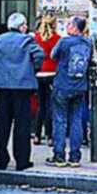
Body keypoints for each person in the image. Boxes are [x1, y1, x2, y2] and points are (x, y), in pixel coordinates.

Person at [0, 12, 44, 171]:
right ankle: (21, 160)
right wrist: (32, 70)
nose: (26, 27)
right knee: (22, 125)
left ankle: (1, 158)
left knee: (3, 124)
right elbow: (39, 56)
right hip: (22, 87)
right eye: (25, 24)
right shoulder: (28, 40)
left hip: (4, 87)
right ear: (21, 26)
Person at [46, 16, 92, 167]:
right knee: (76, 120)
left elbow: (53, 55)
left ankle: (59, 155)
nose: (66, 27)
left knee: (60, 120)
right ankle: (75, 156)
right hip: (80, 86)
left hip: (63, 85)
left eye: (68, 24)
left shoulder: (64, 42)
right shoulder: (88, 42)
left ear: (74, 27)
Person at [32, 14, 60, 145]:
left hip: (39, 73)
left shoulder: (37, 38)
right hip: (52, 73)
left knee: (40, 106)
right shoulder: (57, 39)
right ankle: (50, 136)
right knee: (50, 106)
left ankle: (37, 135)